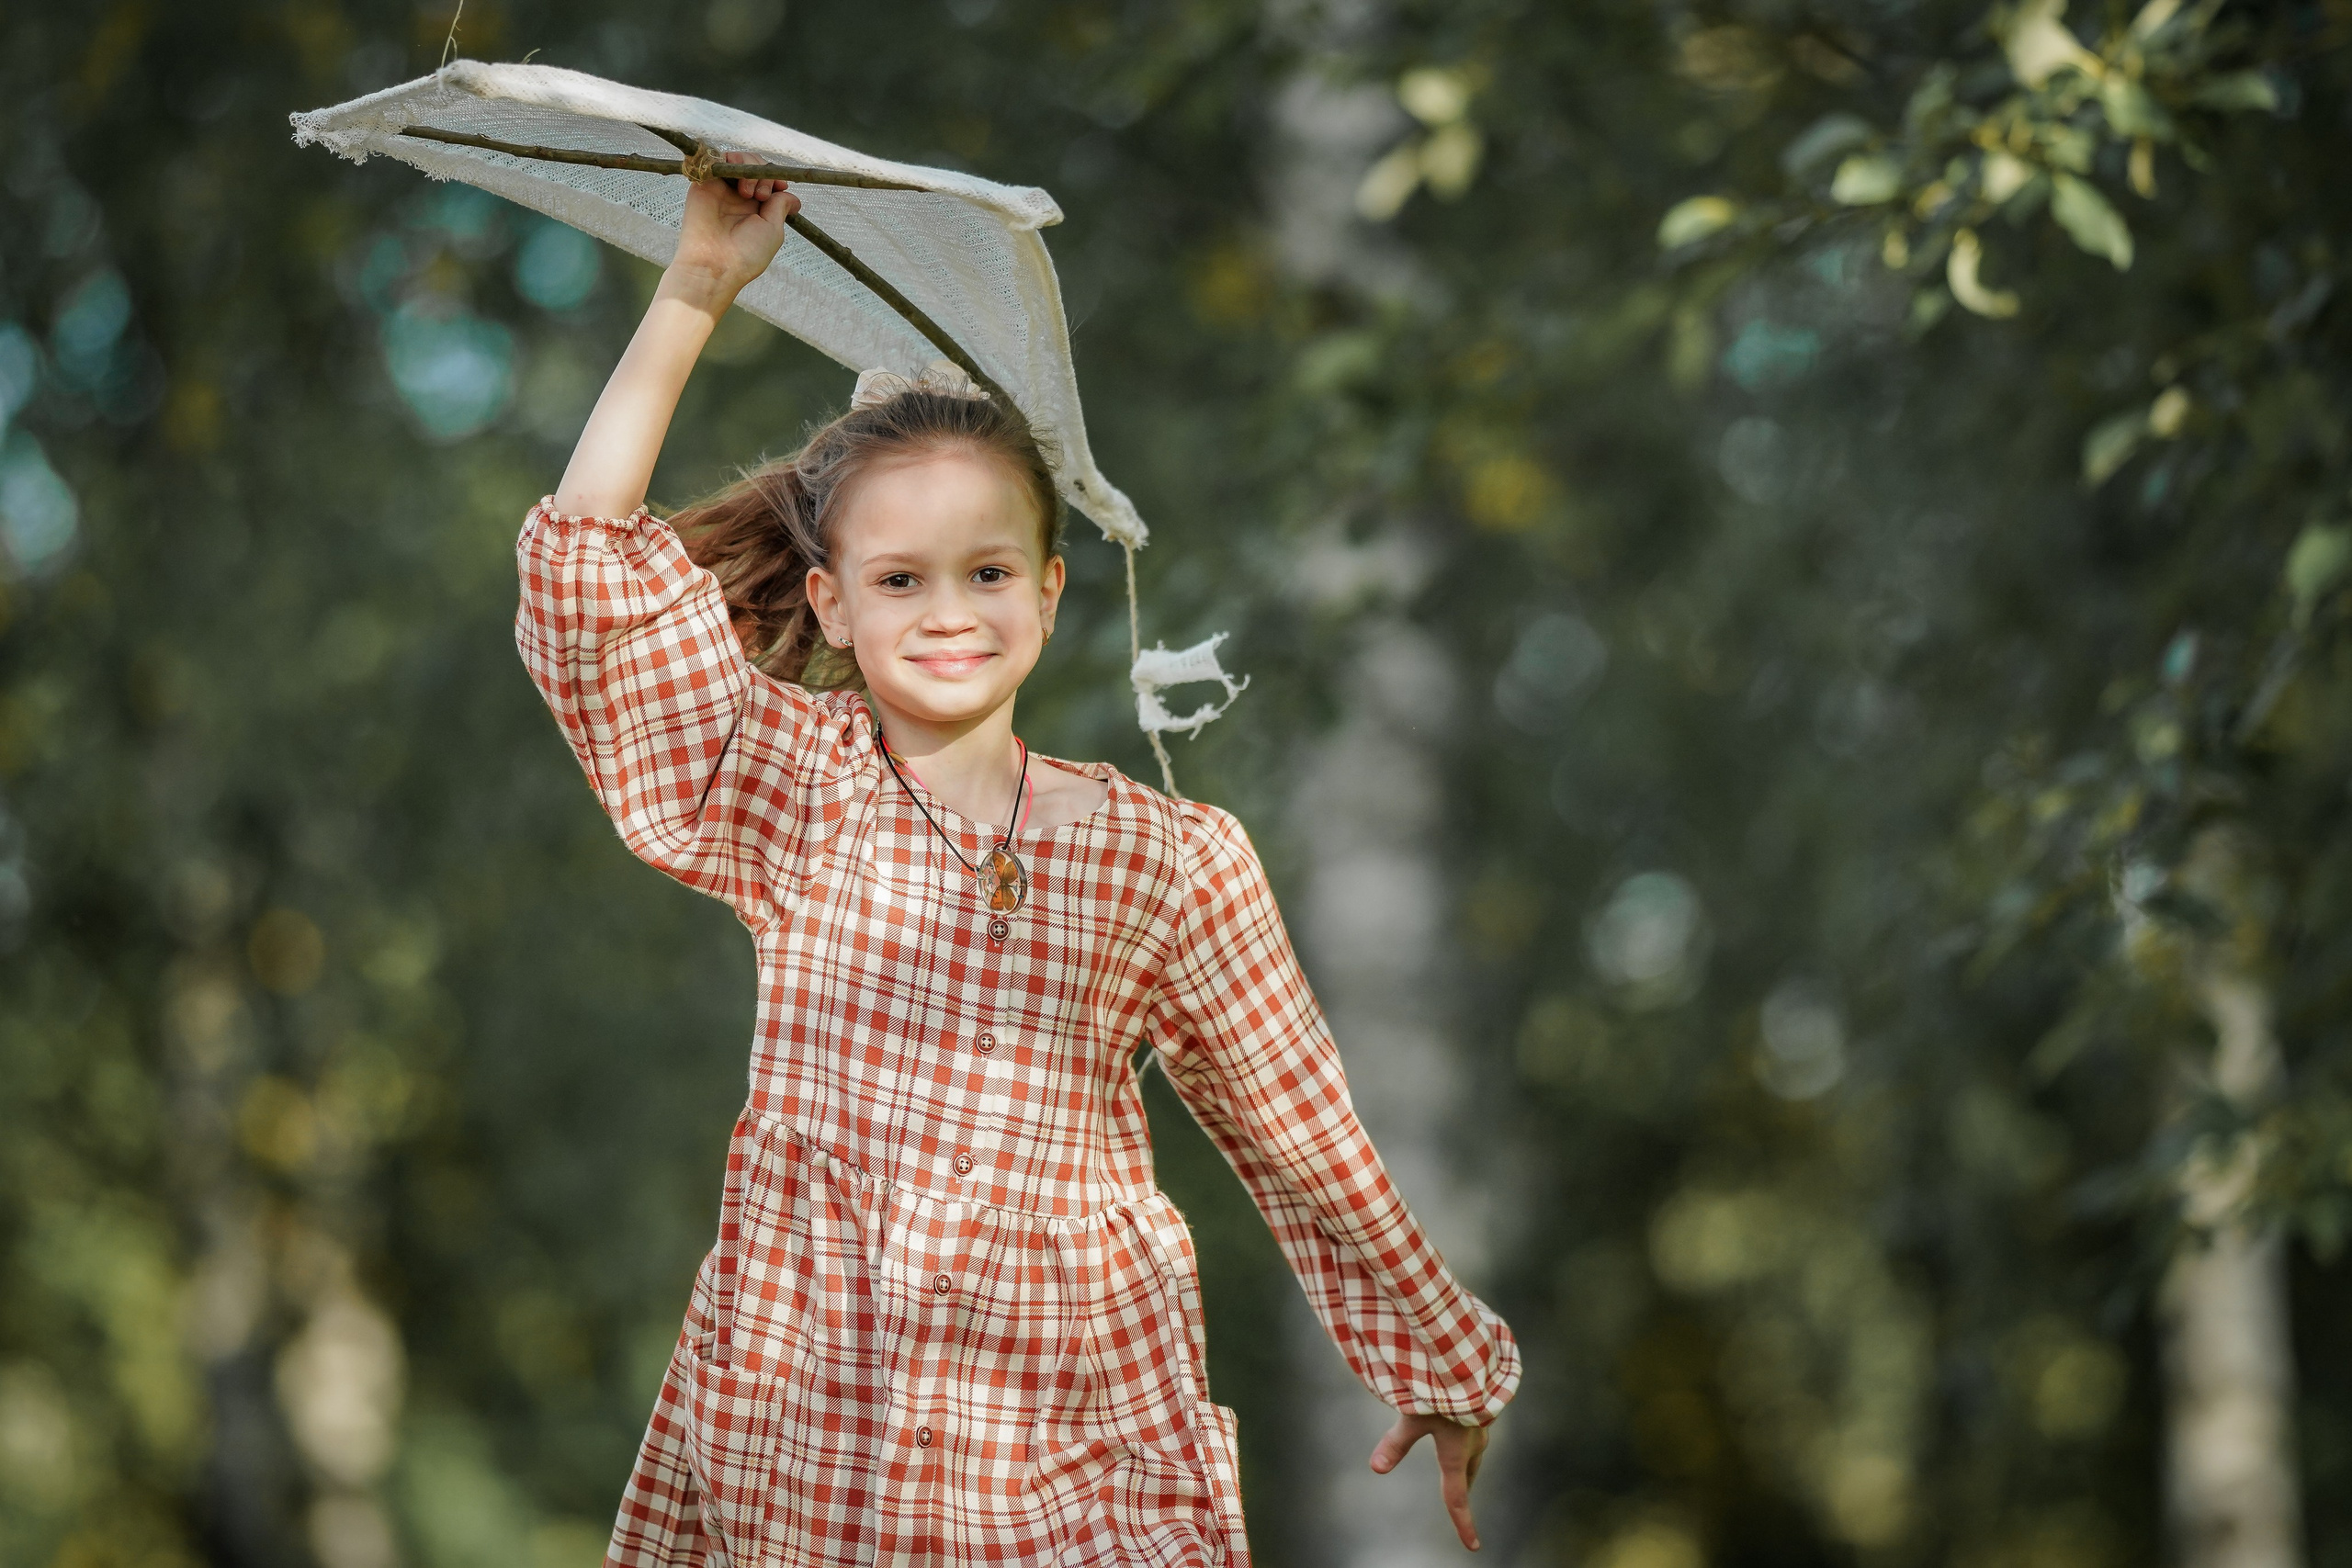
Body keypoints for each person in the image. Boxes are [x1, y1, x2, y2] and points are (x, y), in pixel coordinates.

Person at [525, 154, 1519, 1566]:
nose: (948, 612)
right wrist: (697, 284)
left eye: (988, 572)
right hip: (820, 1404)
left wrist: (1443, 1361)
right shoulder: (794, 786)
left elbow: (1303, 1137)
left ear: (1050, 594)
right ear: (833, 602)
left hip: (1069, 1420)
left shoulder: (1169, 858)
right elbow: (588, 581)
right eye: (899, 579)